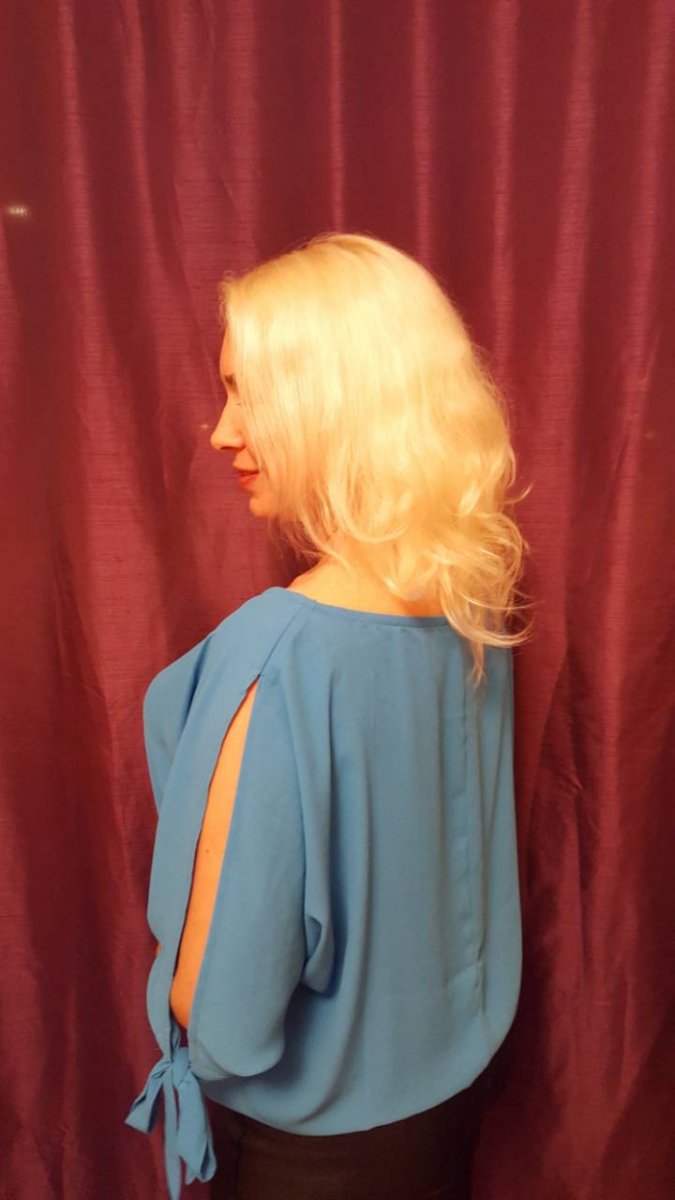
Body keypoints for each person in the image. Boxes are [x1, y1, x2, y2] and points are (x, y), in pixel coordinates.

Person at [125, 232, 532, 1200]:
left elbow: (225, 1017)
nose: (222, 433)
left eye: (247, 393)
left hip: (313, 1155)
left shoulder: (278, 652)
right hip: (446, 1105)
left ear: (336, 402)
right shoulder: (470, 607)